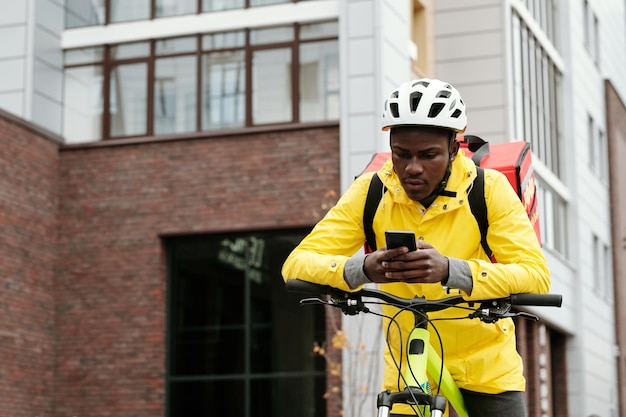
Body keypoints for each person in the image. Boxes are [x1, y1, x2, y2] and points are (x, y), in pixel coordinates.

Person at [281, 78, 551, 417]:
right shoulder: (372, 191)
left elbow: (536, 275)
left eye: (429, 155)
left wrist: (454, 270)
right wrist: (363, 269)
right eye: (401, 154)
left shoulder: (489, 190)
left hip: (485, 366)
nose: (412, 168)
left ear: (454, 149)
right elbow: (296, 263)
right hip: (409, 363)